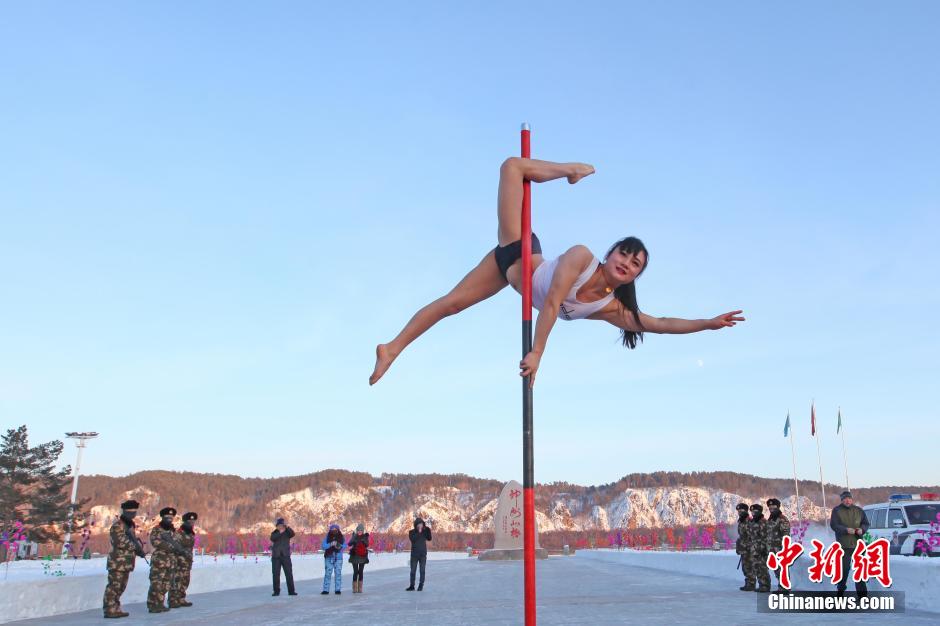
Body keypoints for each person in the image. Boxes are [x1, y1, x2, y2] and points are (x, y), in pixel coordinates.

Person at [369, 156, 744, 386]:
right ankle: (570, 171)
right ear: (611, 252)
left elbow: (659, 323)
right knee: (512, 167)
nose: (625, 264)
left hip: (506, 276)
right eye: (623, 254)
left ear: (633, 276)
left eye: (633, 265)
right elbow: (550, 303)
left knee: (452, 305)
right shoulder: (581, 257)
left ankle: (390, 349)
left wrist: (707, 324)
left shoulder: (610, 308)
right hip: (518, 250)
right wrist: (537, 353)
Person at [103, 499, 145, 619]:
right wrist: (136, 548)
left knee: (121, 587)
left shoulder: (129, 526)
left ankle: (115, 608)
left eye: (134, 513)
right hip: (117, 562)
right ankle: (109, 609)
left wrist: (138, 549)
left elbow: (131, 541)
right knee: (114, 586)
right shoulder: (118, 525)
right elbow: (120, 541)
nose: (133, 515)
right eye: (131, 512)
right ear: (125, 512)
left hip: (126, 562)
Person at [147, 507, 188, 613]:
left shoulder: (173, 531)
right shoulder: (157, 529)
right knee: (156, 583)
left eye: (171, 517)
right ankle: (153, 604)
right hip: (159, 561)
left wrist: (180, 550)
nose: (169, 519)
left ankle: (160, 603)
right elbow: (155, 542)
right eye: (167, 517)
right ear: (162, 517)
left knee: (166, 584)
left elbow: (178, 543)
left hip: (171, 561)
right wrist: (171, 546)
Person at [830, 490, 869, 598]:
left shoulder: (859, 510)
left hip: (858, 545)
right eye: (845, 499)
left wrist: (862, 529)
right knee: (844, 569)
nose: (848, 500)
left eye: (849, 498)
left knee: (859, 570)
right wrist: (845, 530)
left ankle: (862, 596)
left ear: (852, 499)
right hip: (844, 545)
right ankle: (840, 592)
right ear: (842, 500)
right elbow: (834, 525)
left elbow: (866, 523)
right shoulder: (837, 510)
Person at [169, 512, 197, 608]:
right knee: (176, 580)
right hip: (179, 562)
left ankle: (181, 598)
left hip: (187, 561)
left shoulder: (191, 534)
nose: (192, 523)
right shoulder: (179, 533)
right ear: (185, 522)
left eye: (193, 521)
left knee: (185, 581)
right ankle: (173, 600)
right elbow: (174, 547)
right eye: (189, 521)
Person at [765, 498, 791, 592]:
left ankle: (785, 588)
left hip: (780, 548)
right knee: (776, 569)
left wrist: (784, 549)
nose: (771, 508)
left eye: (773, 506)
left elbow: (786, 534)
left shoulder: (782, 519)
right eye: (770, 507)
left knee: (782, 568)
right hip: (771, 549)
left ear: (778, 507)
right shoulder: (770, 519)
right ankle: (781, 587)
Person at [747, 503, 771, 593]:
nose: (753, 513)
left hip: (762, 549)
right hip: (754, 549)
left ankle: (765, 585)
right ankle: (761, 584)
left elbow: (766, 537)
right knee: (757, 568)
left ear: (760, 512)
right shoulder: (752, 522)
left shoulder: (763, 522)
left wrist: (764, 549)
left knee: (763, 568)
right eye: (752, 511)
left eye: (755, 511)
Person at [270, 517, 297, 596]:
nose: (280, 526)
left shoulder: (288, 532)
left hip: (285, 556)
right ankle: (276, 591)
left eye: (282, 525)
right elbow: (272, 538)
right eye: (279, 525)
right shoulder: (274, 532)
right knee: (275, 574)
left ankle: (291, 591)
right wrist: (280, 532)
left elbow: (293, 534)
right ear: (277, 526)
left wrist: (287, 527)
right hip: (276, 557)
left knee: (289, 574)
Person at [406, 517, 432, 591]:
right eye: (418, 524)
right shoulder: (411, 532)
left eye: (421, 524)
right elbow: (413, 540)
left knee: (422, 570)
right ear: (416, 525)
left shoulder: (425, 531)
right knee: (413, 571)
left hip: (423, 555)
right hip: (414, 555)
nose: (420, 525)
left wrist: (428, 530)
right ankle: (412, 586)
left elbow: (429, 538)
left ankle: (421, 585)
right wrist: (419, 532)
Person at [321, 524, 345, 595]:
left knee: (338, 574)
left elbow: (345, 546)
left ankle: (337, 589)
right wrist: (330, 544)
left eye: (335, 530)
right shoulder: (327, 537)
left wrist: (338, 545)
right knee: (328, 574)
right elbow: (323, 546)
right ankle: (326, 589)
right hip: (329, 557)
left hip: (338, 557)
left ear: (338, 530)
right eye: (332, 530)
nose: (334, 531)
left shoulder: (341, 537)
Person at [734, 502, 752, 591]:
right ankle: (748, 583)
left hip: (749, 549)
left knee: (749, 567)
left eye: (741, 510)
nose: (739, 512)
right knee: (745, 567)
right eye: (738, 511)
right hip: (743, 548)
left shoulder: (748, 521)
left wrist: (746, 546)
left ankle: (751, 584)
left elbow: (751, 536)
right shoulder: (741, 521)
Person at [348, 523, 370, 594]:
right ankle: (354, 588)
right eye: (358, 530)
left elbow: (367, 544)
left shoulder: (365, 537)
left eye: (361, 530)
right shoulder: (354, 536)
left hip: (362, 556)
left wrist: (365, 539)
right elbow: (349, 543)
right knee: (355, 572)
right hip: (354, 556)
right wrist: (353, 538)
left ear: (362, 531)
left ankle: (360, 588)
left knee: (360, 572)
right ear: (357, 530)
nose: (359, 531)